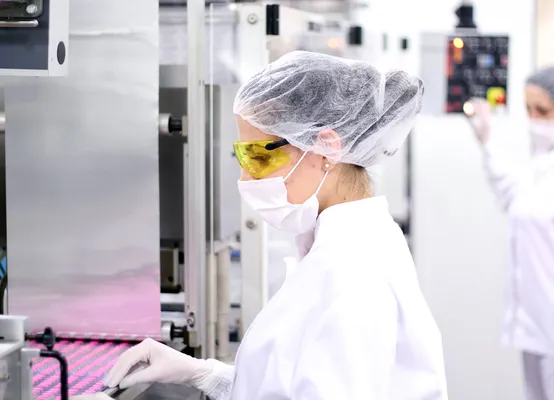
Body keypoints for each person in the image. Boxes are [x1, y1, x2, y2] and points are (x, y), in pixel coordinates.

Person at [104, 51, 448, 399]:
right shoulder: (337, 245)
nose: (245, 177)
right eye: (241, 157)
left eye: (257, 157)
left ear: (326, 147)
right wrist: (206, 375)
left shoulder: (354, 272)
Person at [467, 66, 554, 400]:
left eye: (543, 110)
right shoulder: (546, 163)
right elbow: (517, 199)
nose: (533, 119)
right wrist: (488, 140)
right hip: (537, 332)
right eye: (528, 109)